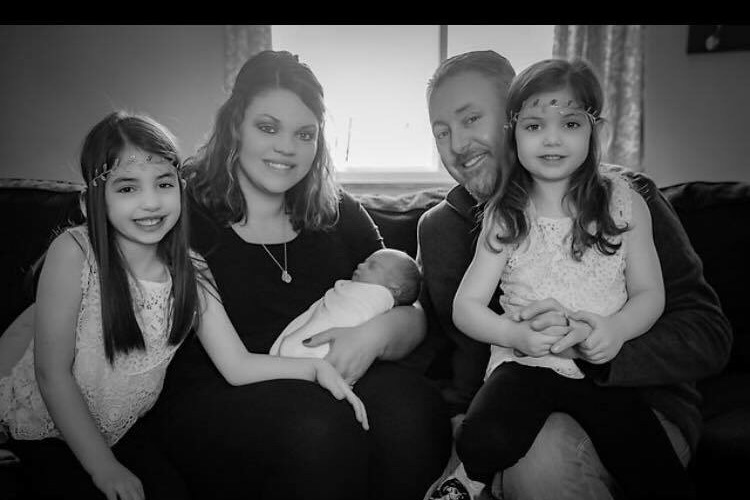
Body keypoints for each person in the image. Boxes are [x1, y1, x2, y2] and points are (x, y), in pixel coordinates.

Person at [0, 111, 367, 500]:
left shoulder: (190, 268)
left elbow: (237, 365)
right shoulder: (74, 252)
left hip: (123, 431)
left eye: (163, 184)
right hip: (47, 426)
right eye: (127, 188)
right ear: (91, 204)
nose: (150, 202)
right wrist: (104, 468)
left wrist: (314, 368)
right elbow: (51, 373)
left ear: (181, 189)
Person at [418, 50, 732, 500]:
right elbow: (444, 345)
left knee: (544, 459)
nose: (457, 144)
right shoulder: (441, 228)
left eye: (471, 119)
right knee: (517, 448)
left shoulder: (625, 200)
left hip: (636, 402)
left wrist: (597, 345)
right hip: (512, 396)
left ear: (512, 113)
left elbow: (707, 333)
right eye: (441, 131)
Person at [152, 50, 451, 500]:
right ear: (235, 126)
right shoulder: (181, 210)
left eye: (304, 134)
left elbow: (412, 309)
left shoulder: (338, 211)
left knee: (413, 411)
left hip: (333, 375)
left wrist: (373, 336)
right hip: (220, 388)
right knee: (318, 430)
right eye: (268, 127)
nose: (287, 148)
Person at [270, 248, 421, 359]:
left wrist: (371, 336)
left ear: (394, 290)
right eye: (365, 262)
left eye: (371, 266)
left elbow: (415, 313)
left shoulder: (377, 298)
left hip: (338, 357)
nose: (360, 265)